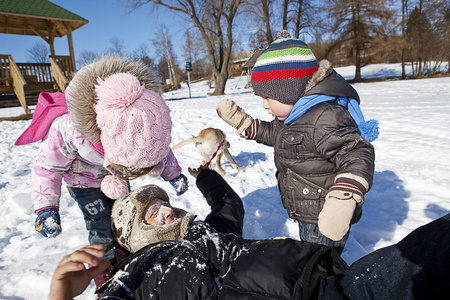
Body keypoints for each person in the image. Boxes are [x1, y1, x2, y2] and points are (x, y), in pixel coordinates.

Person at [49, 166, 450, 300]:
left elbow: (229, 206)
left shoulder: (206, 230)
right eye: (152, 212)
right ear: (131, 235)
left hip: (319, 289)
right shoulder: (135, 272)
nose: (167, 209)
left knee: (425, 253)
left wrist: (206, 174)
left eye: (165, 202)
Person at [14, 55, 188, 287]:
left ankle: (128, 255)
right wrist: (45, 208)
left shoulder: (144, 115)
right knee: (101, 225)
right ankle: (103, 274)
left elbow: (158, 147)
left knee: (127, 215)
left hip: (118, 178)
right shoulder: (68, 127)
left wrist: (173, 174)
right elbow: (47, 166)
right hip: (84, 183)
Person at [216, 32, 377, 253]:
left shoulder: (324, 117)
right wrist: (244, 123)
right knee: (314, 260)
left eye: (267, 98)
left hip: (325, 215)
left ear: (289, 91)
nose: (264, 106)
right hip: (307, 211)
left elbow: (357, 152)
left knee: (320, 266)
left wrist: (345, 193)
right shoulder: (293, 115)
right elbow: (275, 134)